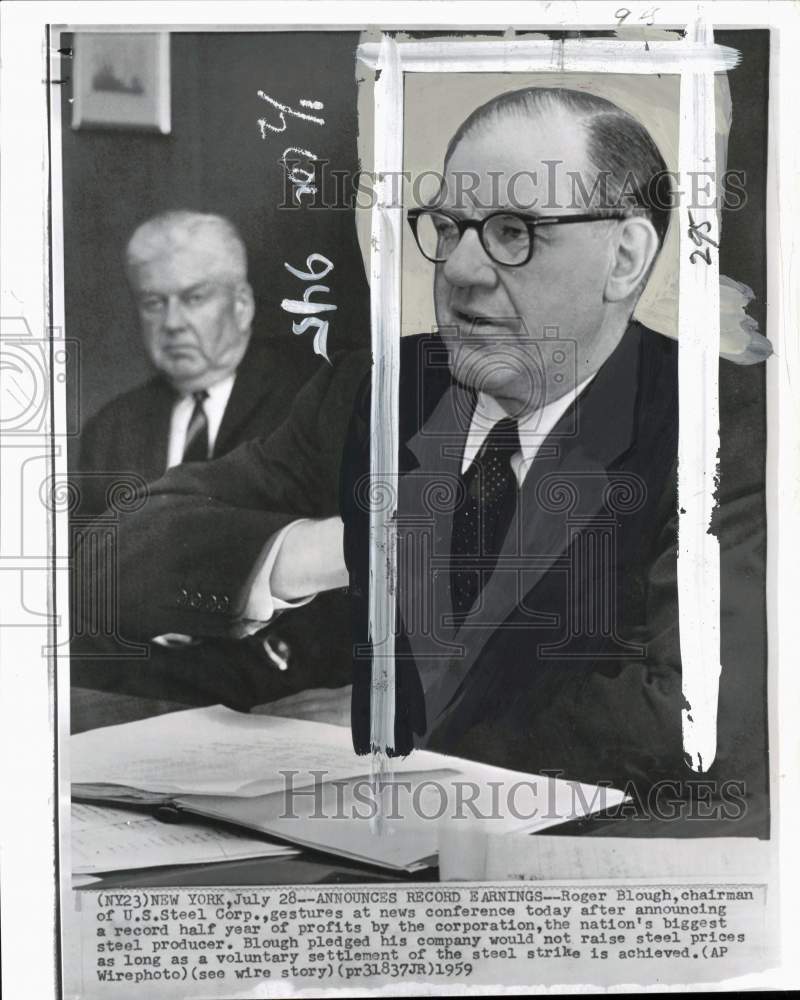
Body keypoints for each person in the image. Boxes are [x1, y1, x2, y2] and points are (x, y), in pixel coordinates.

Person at [79, 90, 768, 827]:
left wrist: (397, 722)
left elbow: (699, 728)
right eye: (448, 227)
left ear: (624, 257)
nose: (461, 269)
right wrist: (335, 546)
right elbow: (112, 558)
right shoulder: (379, 388)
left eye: (512, 231)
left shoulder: (726, 430)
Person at [71, 211, 353, 720]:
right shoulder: (112, 427)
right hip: (134, 695)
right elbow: (83, 586)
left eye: (194, 298)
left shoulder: (312, 399)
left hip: (276, 699)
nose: (172, 322)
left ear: (242, 304)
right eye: (154, 303)